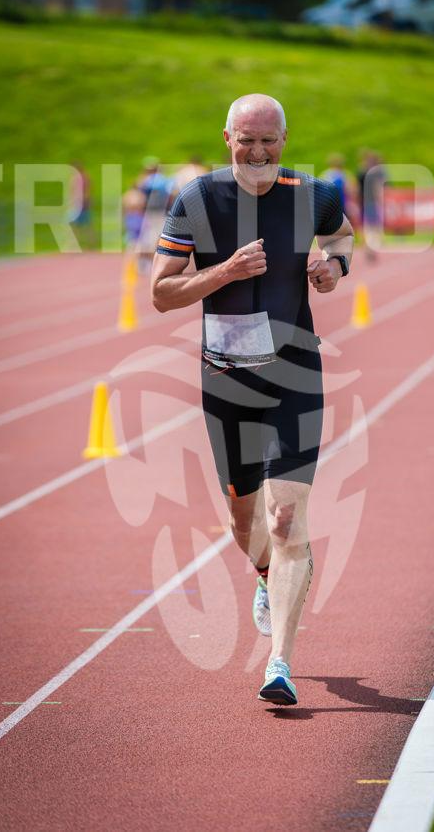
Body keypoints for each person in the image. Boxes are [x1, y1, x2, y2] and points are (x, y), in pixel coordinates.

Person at [151, 94, 354, 706]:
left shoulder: (313, 195)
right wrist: (225, 272)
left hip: (295, 373)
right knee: (245, 520)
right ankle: (265, 574)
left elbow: (342, 237)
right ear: (227, 138)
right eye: (247, 140)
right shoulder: (196, 199)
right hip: (227, 380)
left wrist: (334, 268)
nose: (258, 151)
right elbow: (161, 293)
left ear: (285, 139)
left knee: (286, 518)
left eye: (269, 140)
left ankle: (279, 663)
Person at [357, 149, 387, 263]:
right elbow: (377, 187)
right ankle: (371, 249)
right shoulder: (375, 172)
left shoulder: (361, 171)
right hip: (371, 202)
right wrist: (380, 199)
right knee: (373, 227)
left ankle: (369, 248)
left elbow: (356, 188)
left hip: (364, 202)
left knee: (369, 227)